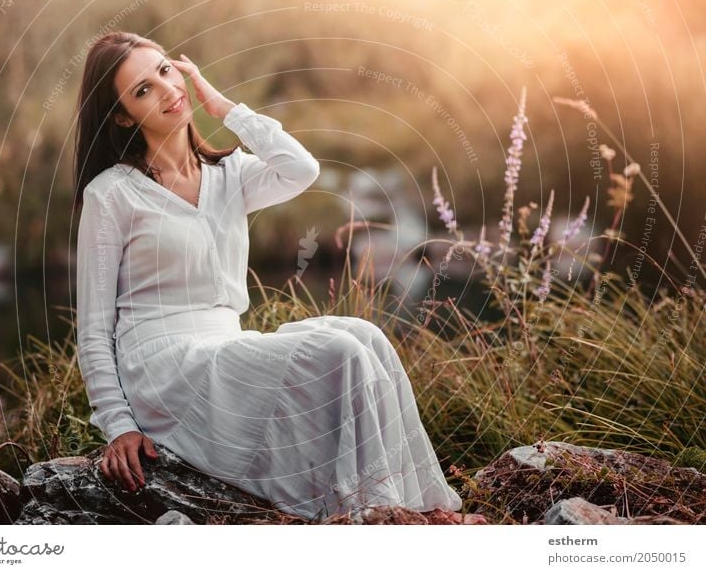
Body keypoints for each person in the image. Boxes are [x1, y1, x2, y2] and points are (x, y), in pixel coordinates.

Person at [73, 31, 465, 523]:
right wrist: (118, 426)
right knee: (339, 354)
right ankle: (376, 515)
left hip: (223, 346)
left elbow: (301, 169)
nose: (167, 89)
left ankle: (416, 507)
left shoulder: (228, 174)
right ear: (123, 116)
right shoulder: (112, 194)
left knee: (365, 335)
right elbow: (92, 327)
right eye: (143, 90)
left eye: (165, 71)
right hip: (163, 367)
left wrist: (226, 110)